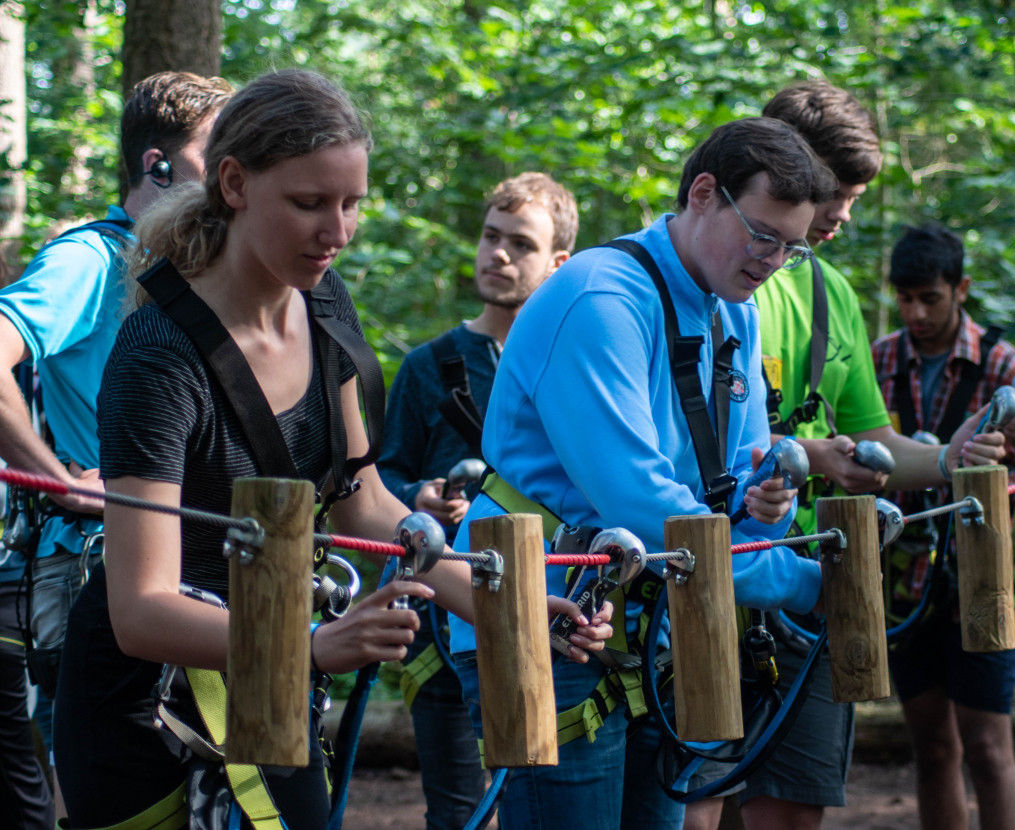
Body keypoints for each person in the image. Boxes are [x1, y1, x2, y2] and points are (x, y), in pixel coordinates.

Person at [50, 70, 611, 830]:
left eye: (351, 205)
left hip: (277, 666)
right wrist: (316, 644)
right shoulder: (157, 358)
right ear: (234, 182)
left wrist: (506, 608)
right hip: (146, 711)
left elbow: (366, 503)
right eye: (310, 204)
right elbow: (140, 610)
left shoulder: (323, 301)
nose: (337, 232)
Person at [446, 117, 836, 830]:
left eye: (792, 246)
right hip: (547, 619)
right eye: (762, 235)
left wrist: (768, 508)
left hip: (657, 621)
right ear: (703, 193)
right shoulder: (602, 298)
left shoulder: (732, 313)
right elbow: (643, 506)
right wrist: (812, 582)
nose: (774, 260)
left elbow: (736, 500)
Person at [679, 81, 1008, 830]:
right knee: (695, 804)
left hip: (803, 580)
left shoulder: (831, 294)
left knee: (793, 803)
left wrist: (947, 457)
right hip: (705, 576)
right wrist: (806, 456)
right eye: (837, 194)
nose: (842, 216)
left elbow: (876, 441)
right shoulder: (704, 278)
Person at [0, 71, 232, 829]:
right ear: (157, 165)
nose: (238, 172)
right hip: (94, 565)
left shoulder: (189, 271)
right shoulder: (93, 261)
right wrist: (56, 478)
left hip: (174, 566)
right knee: (116, 792)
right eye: (217, 151)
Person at [377, 171, 578, 830]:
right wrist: (419, 499)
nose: (497, 254)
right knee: (460, 812)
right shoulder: (428, 367)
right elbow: (377, 478)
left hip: (556, 607)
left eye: (519, 244)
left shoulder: (573, 366)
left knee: (541, 795)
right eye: (491, 236)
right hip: (442, 616)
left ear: (558, 264)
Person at [872, 221, 1015, 830]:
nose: (915, 312)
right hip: (906, 583)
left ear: (959, 289)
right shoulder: (880, 357)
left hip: (981, 582)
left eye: (929, 298)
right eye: (905, 299)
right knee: (932, 745)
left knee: (989, 748)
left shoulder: (1001, 364)